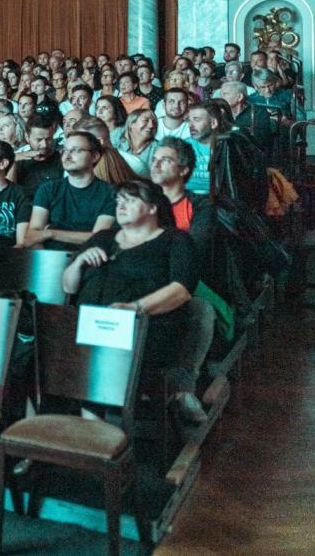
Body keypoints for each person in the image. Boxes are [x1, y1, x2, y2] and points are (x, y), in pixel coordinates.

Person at [61, 179, 210, 424]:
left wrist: (135, 308)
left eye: (130, 200)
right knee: (40, 353)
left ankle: (93, 428)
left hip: (143, 329)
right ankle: (80, 429)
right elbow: (68, 287)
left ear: (152, 207)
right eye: (119, 201)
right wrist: (78, 262)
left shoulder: (176, 240)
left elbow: (181, 290)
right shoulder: (103, 237)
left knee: (99, 357)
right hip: (88, 327)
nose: (120, 206)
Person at [25, 131, 116, 250]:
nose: (67, 156)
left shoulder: (110, 193)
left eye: (75, 150)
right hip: (51, 256)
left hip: (90, 257)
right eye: (64, 150)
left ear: (94, 156)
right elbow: (32, 236)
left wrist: (50, 233)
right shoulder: (48, 189)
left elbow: (99, 238)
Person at [9, 114, 61, 191]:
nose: (44, 145)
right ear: (27, 137)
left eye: (48, 139)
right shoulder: (19, 162)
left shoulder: (61, 159)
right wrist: (13, 162)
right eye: (39, 140)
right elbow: (9, 193)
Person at [116, 108, 158, 177]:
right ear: (131, 124)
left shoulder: (158, 148)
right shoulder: (116, 135)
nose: (151, 125)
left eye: (154, 122)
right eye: (146, 120)